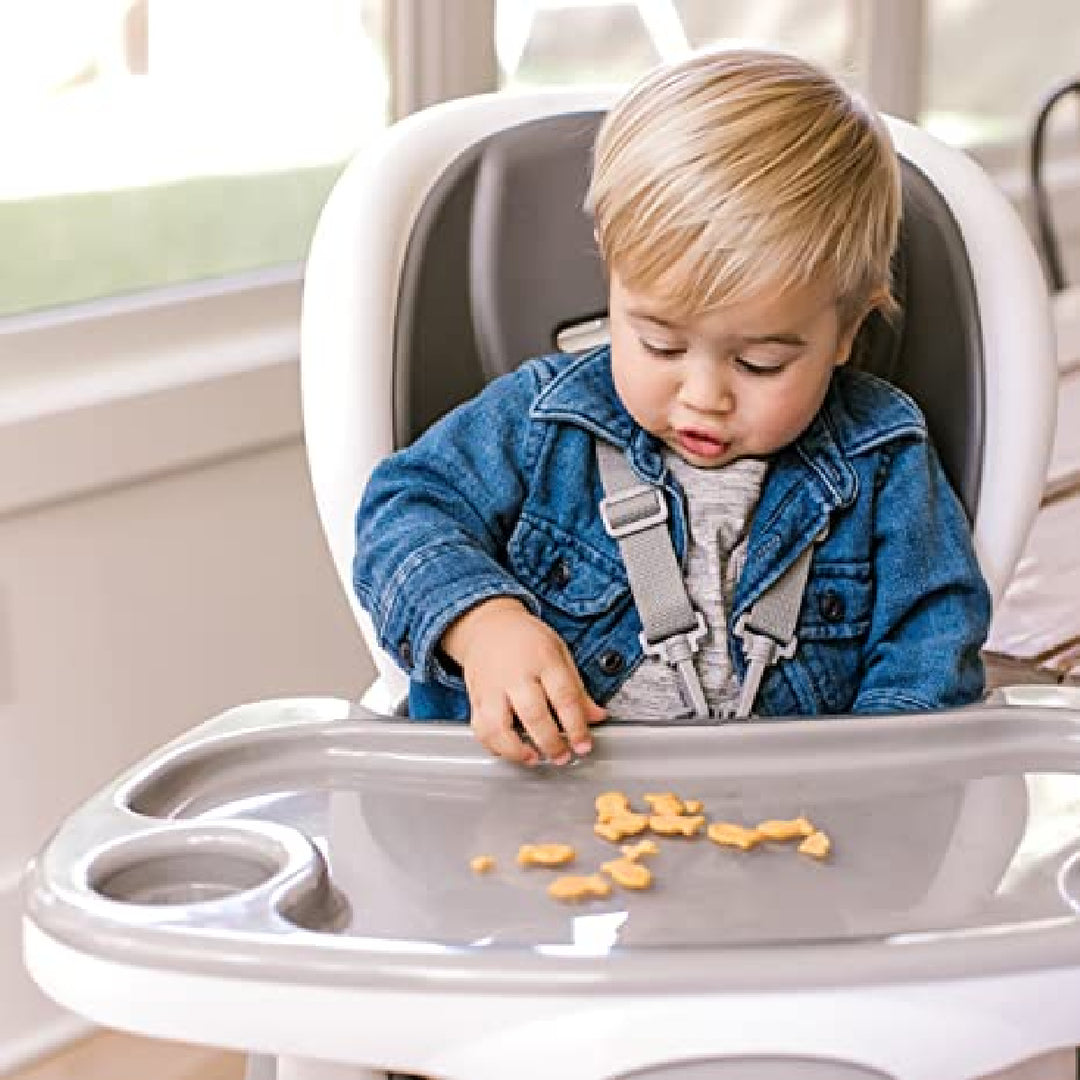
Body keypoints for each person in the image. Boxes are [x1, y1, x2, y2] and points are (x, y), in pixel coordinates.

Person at [353, 46, 992, 767]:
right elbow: (402, 511)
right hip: (533, 818)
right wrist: (482, 624)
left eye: (761, 362)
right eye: (659, 344)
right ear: (613, 274)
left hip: (790, 833)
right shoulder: (542, 421)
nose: (704, 396)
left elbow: (932, 645)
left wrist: (873, 781)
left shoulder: (883, 459)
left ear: (848, 327)